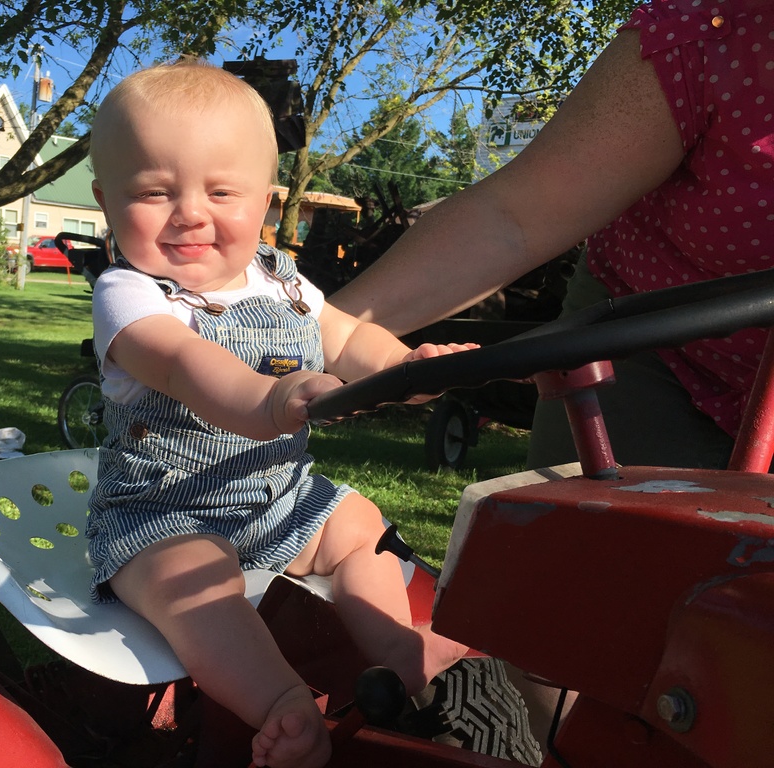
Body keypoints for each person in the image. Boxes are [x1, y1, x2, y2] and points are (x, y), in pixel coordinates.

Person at [86, 60, 475, 768]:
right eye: (154, 192)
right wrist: (269, 397)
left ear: (265, 199)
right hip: (161, 514)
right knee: (197, 584)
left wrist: (406, 369)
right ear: (105, 199)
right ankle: (280, 703)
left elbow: (349, 338)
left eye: (221, 191)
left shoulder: (283, 281)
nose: (190, 213)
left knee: (358, 526)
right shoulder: (132, 294)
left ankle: (396, 650)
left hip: (279, 502)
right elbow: (182, 363)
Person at [331, 0, 774, 472]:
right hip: (647, 334)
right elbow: (514, 220)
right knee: (582, 517)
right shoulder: (715, 29)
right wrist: (311, 328)